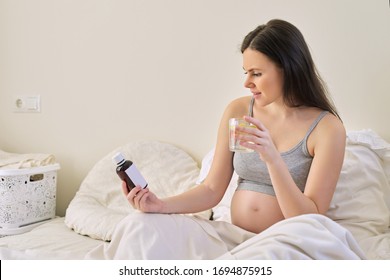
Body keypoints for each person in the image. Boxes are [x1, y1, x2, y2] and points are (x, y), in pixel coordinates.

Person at [122, 19, 346, 234]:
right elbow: (211, 189)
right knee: (139, 225)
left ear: (289, 69)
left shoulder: (327, 129)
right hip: (235, 236)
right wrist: (159, 205)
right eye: (246, 72)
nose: (247, 82)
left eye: (256, 73)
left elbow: (310, 219)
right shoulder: (239, 112)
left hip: (287, 241)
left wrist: (273, 160)